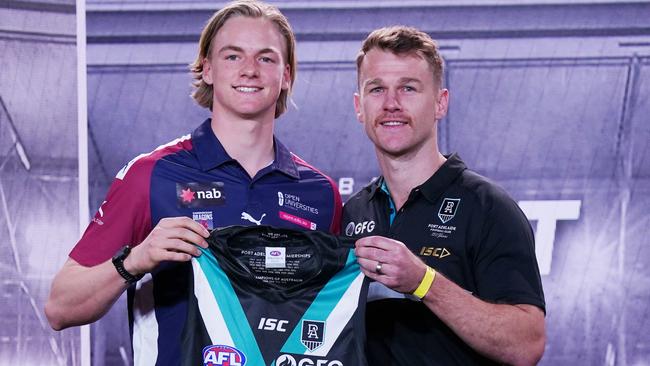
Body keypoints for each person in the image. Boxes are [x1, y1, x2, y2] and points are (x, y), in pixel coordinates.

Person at [45, 1, 342, 365]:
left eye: (266, 58)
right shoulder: (150, 174)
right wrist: (136, 260)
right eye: (233, 56)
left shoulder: (321, 193)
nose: (250, 70)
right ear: (207, 70)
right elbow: (60, 308)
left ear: (287, 76)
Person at [342, 26, 546, 365]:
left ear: (440, 103)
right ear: (359, 107)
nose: (391, 104)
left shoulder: (488, 207)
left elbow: (526, 344)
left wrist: (424, 283)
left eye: (408, 88)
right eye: (376, 89)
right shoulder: (352, 213)